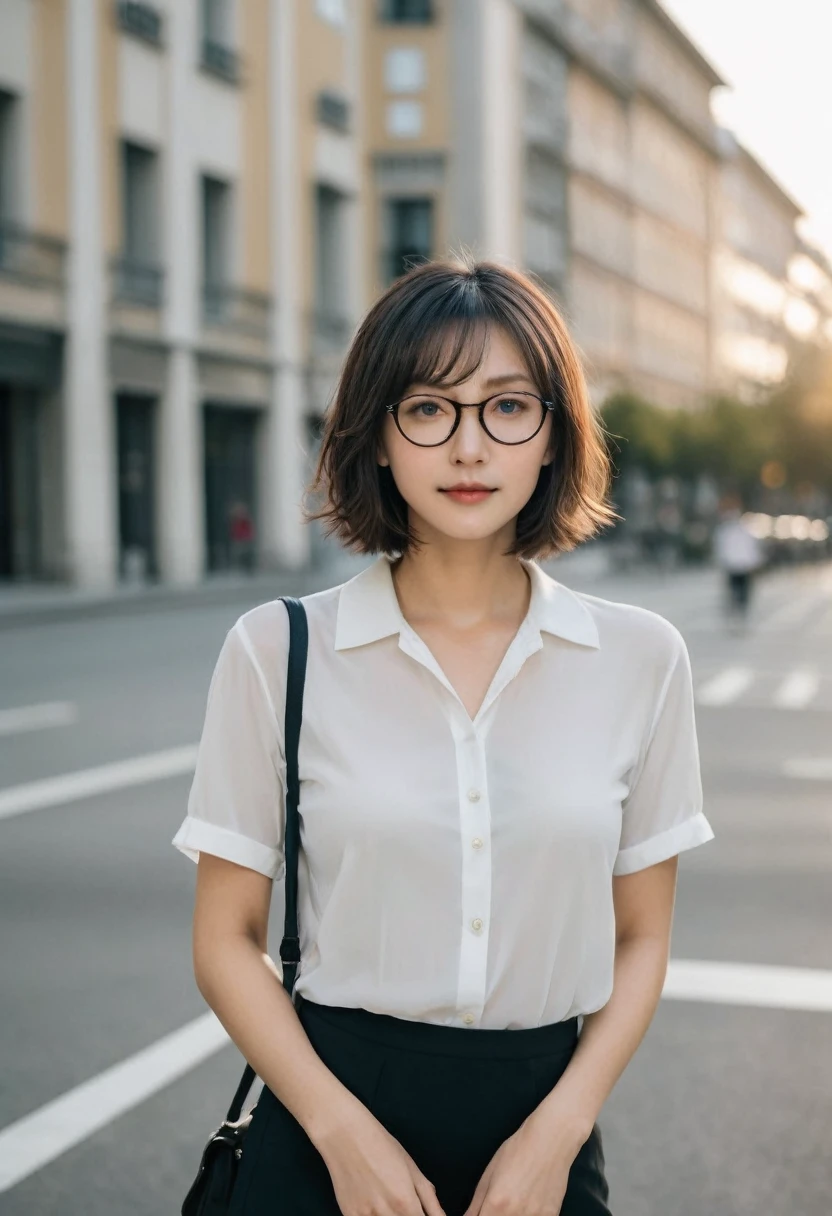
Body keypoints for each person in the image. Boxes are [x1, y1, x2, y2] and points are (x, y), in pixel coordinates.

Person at [173, 256, 715, 1216]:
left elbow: (641, 940)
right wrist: (342, 1138)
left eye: (508, 407)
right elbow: (224, 939)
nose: (470, 447)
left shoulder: (642, 658)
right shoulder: (278, 650)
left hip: (542, 1129)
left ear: (554, 436)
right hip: (327, 1121)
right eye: (429, 408)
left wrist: (561, 1130)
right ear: (378, 437)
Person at [711, 494, 765, 632]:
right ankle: (734, 616)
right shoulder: (724, 531)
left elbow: (752, 548)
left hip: (744, 567)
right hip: (733, 567)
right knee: (734, 593)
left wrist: (755, 563)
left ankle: (742, 617)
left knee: (744, 595)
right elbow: (721, 549)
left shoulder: (747, 531)